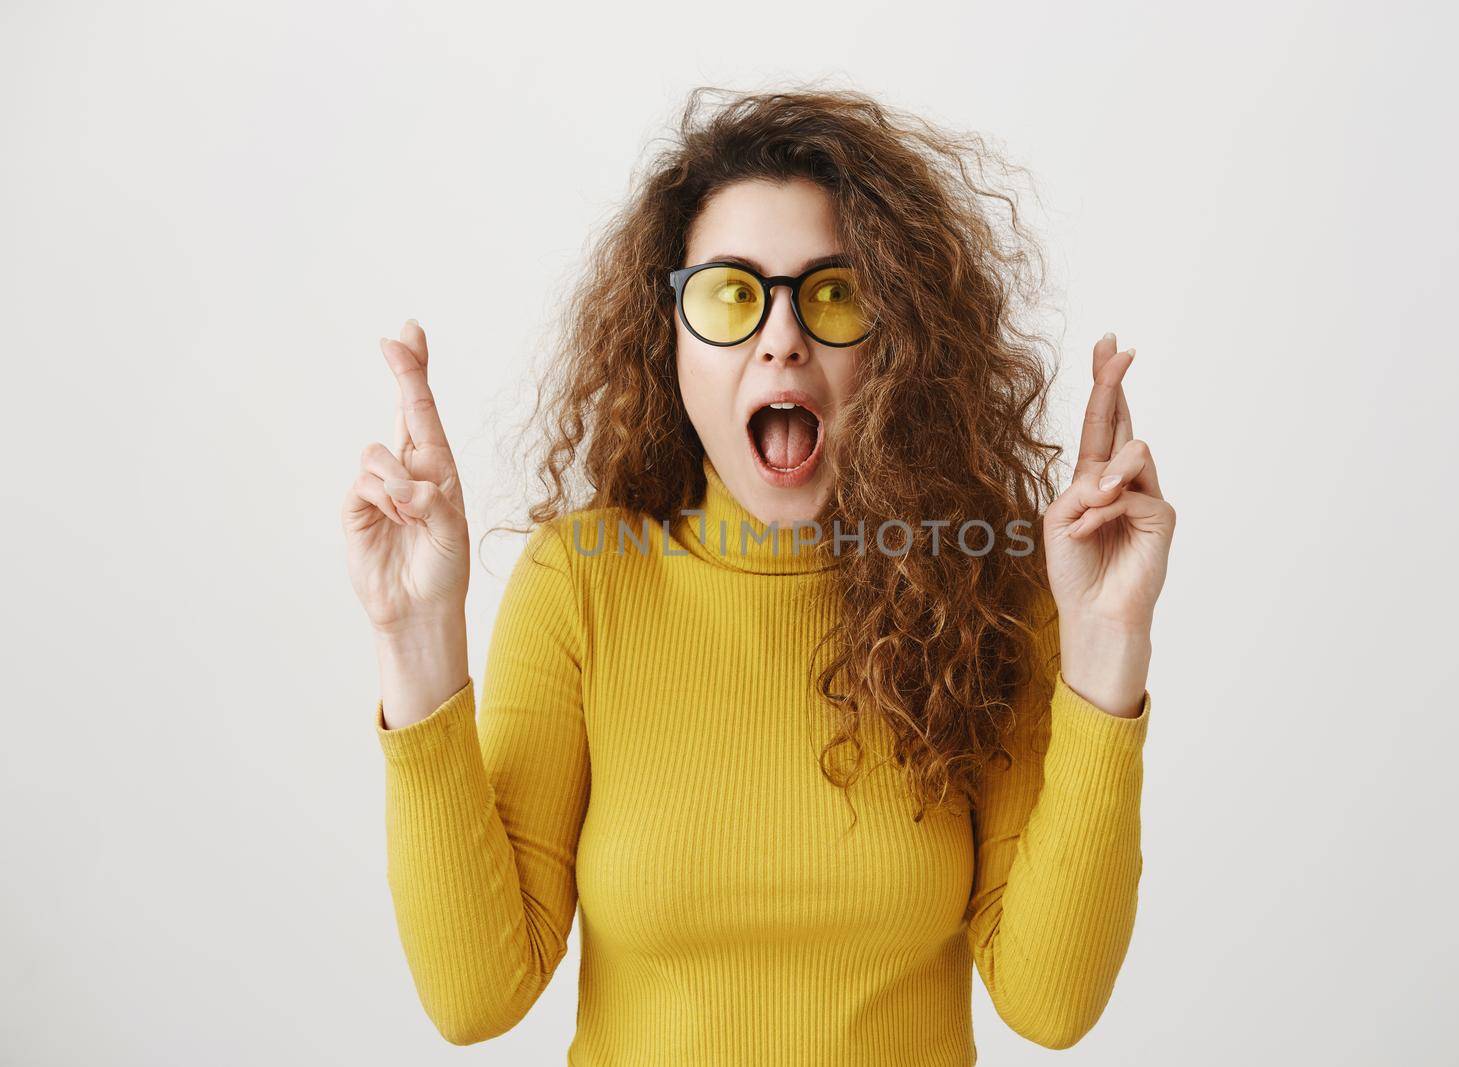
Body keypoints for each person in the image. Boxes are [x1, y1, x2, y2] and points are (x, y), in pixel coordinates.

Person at [342, 87, 1175, 1064]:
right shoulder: (579, 583)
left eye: (832, 293)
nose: (781, 337)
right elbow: (474, 995)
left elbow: (1051, 1000)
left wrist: (1108, 643)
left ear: (897, 337)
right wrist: (413, 633)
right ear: (670, 341)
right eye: (731, 294)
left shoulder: (979, 589)